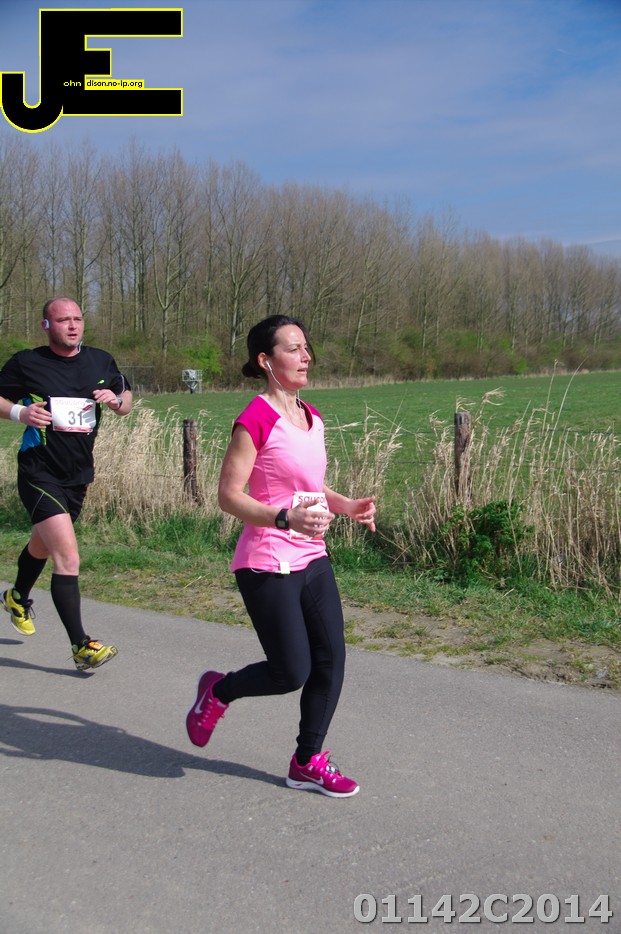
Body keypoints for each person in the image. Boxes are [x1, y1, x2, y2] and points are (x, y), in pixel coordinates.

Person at [185, 315, 376, 797]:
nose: (306, 356)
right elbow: (228, 496)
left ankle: (307, 761)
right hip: (267, 561)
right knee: (291, 671)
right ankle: (218, 691)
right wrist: (284, 518)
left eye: (306, 347)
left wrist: (347, 505)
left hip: (313, 556)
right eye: (293, 349)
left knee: (331, 659)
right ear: (266, 361)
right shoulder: (255, 419)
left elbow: (310, 487)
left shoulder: (312, 417)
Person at [0, 297, 132, 670]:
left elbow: (126, 400)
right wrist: (20, 412)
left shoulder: (100, 360)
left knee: (42, 545)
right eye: (63, 320)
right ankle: (81, 645)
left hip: (78, 474)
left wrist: (116, 400)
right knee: (67, 556)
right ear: (46, 326)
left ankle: (16, 597)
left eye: (77, 319)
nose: (72, 326)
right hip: (38, 470)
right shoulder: (27, 362)